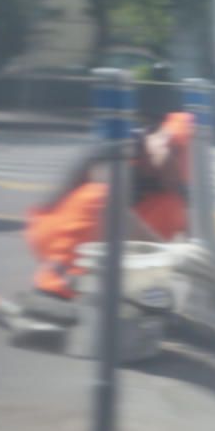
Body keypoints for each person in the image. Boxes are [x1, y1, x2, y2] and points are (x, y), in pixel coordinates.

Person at [22, 112, 194, 317]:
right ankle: (58, 283)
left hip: (100, 239)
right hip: (52, 231)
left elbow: (190, 233)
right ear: (164, 143)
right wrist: (164, 251)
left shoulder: (166, 178)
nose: (175, 180)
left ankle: (133, 289)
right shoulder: (122, 149)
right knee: (100, 197)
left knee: (172, 206)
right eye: (176, 170)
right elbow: (115, 210)